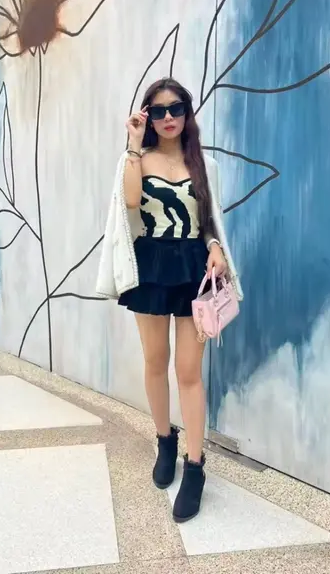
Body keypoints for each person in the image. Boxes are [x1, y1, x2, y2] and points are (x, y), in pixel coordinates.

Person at [96, 77, 242, 523]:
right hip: (153, 267)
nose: (167, 117)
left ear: (187, 111)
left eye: (175, 108)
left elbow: (210, 220)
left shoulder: (205, 164)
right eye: (157, 111)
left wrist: (215, 247)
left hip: (194, 269)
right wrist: (133, 144)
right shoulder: (136, 159)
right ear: (147, 116)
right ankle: (165, 441)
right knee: (155, 360)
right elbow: (131, 202)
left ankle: (195, 467)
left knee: (189, 372)